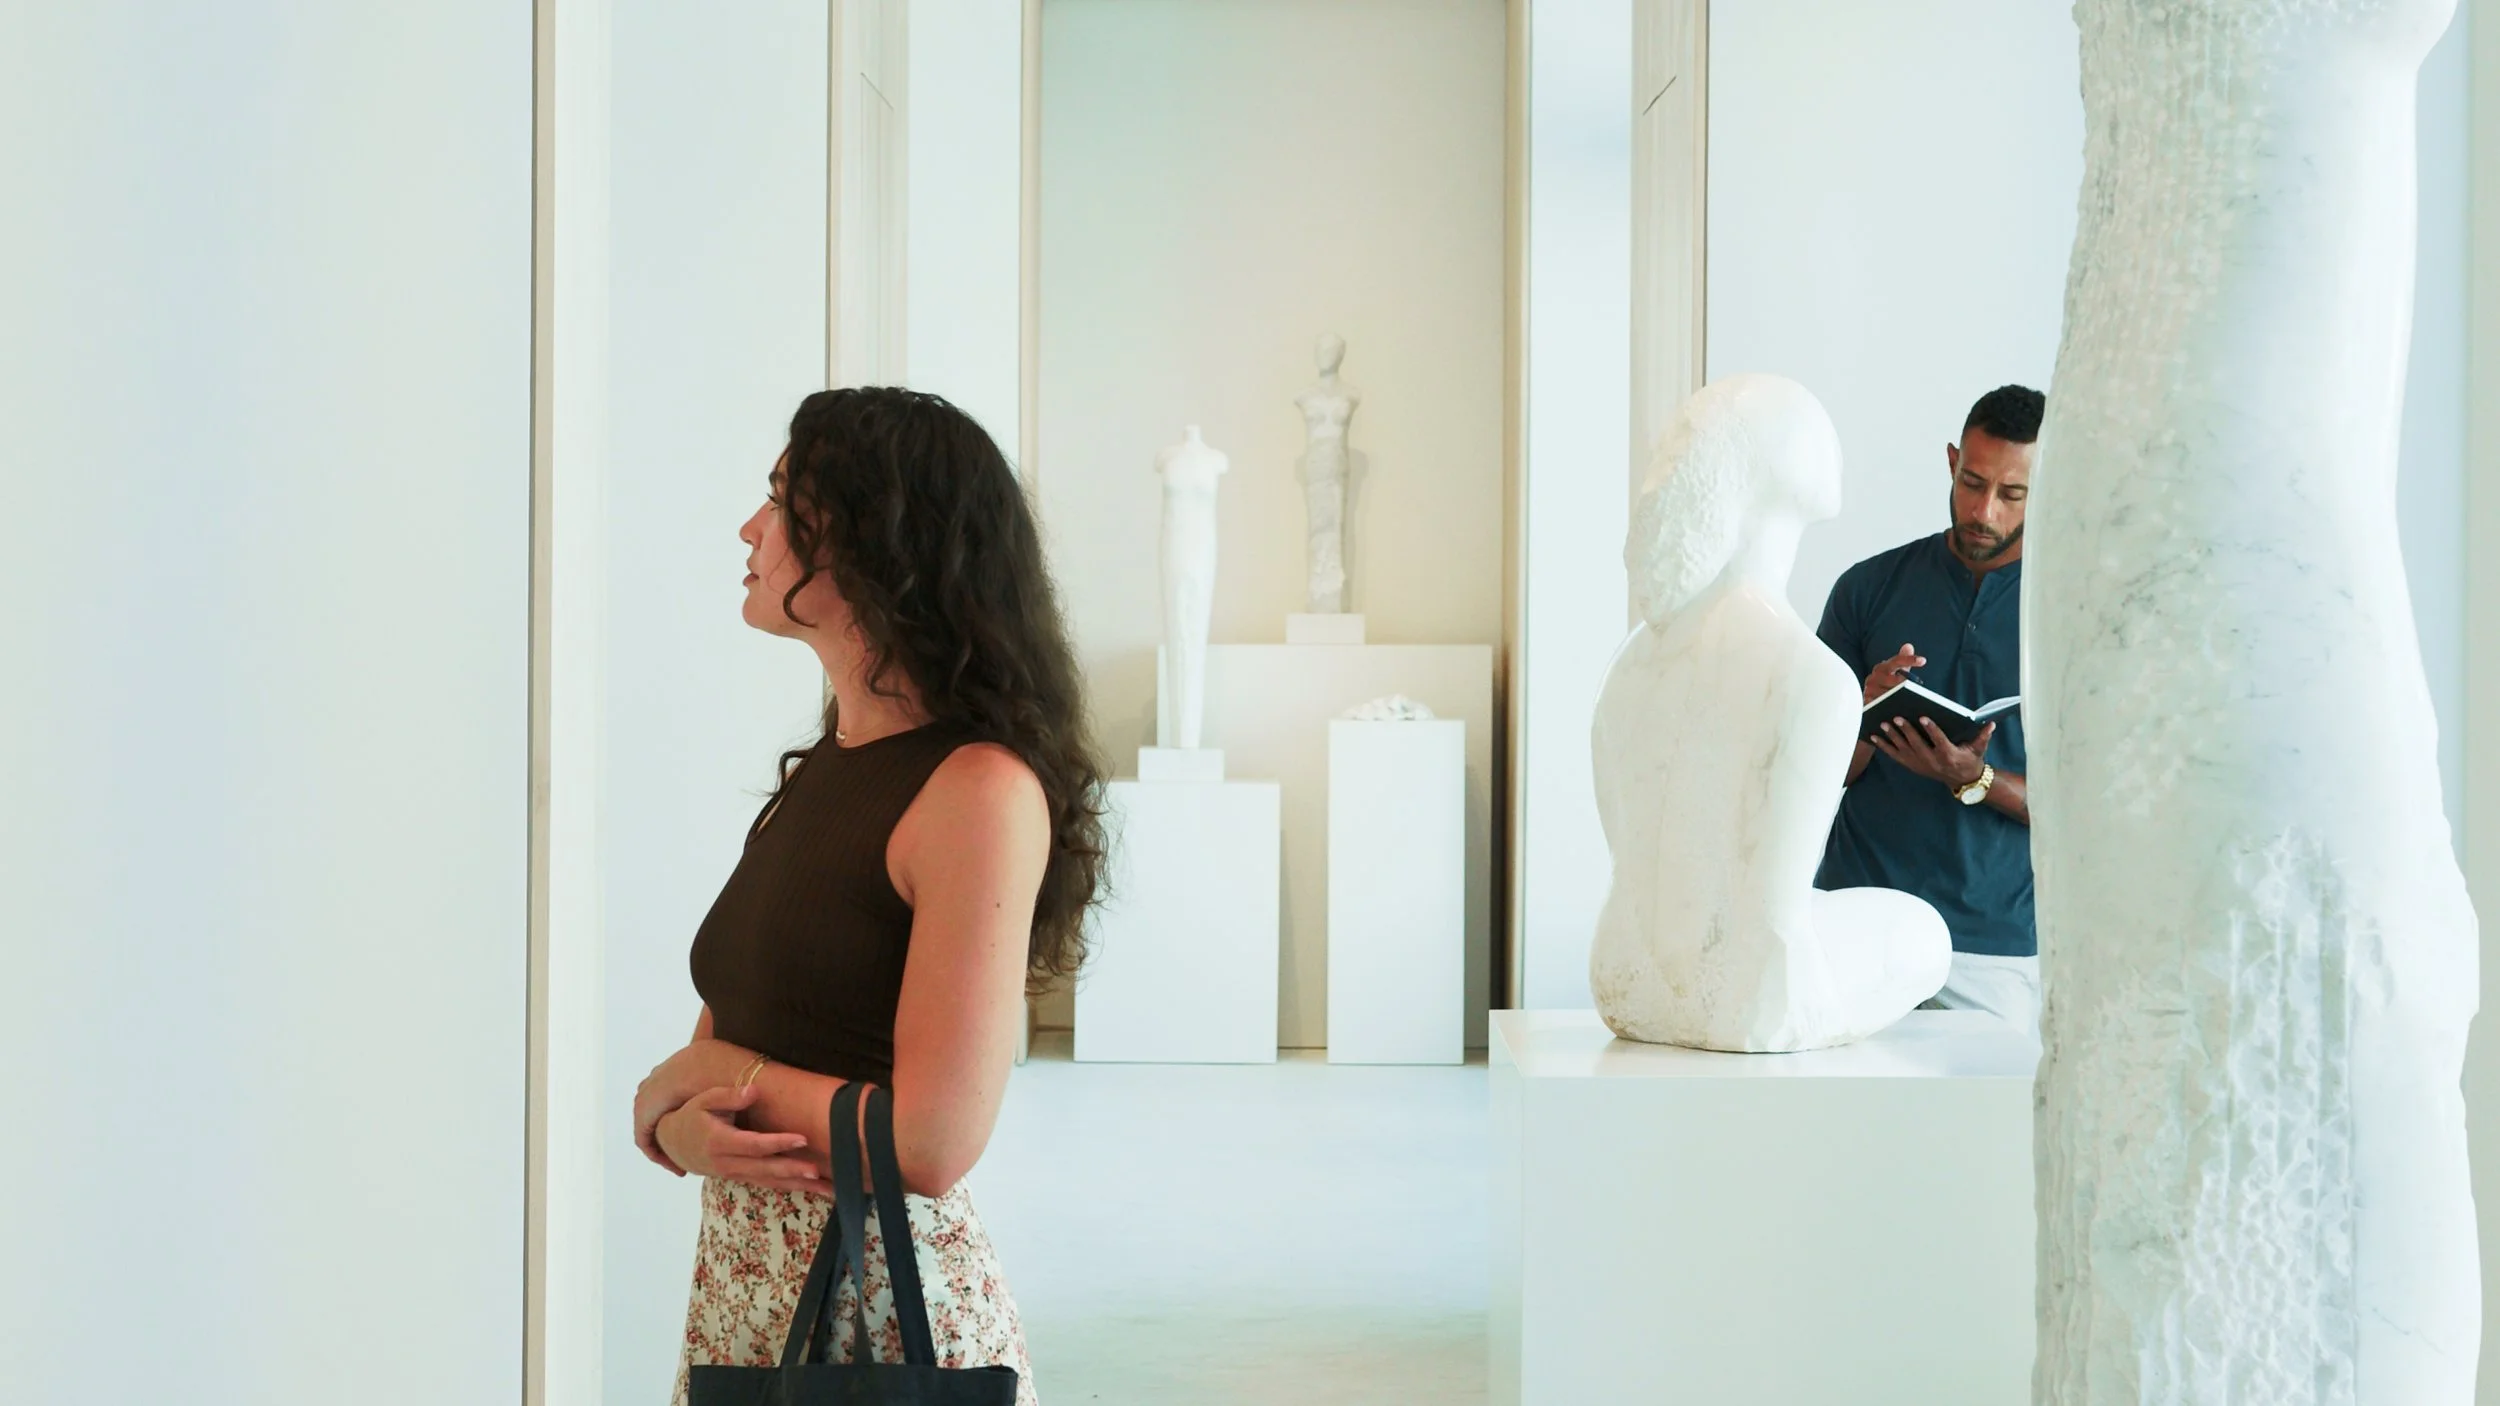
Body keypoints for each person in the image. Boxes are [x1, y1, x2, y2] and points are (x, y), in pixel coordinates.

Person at [632, 388, 1105, 1406]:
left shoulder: (978, 791)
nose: (750, 529)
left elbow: (932, 1142)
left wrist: (706, 1072)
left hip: (882, 1315)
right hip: (750, 1303)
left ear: (875, 544)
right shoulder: (826, 764)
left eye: (780, 503)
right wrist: (672, 1121)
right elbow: (734, 1033)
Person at [1814, 385, 2041, 1033]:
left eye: (2012, 494)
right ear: (1951, 462)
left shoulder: (2074, 616)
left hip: (1990, 948)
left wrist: (1975, 778)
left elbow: (2085, 813)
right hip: (1854, 922)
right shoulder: (1867, 588)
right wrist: (1859, 709)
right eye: (1972, 483)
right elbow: (1814, 774)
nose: (1984, 510)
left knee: (1986, 1104)